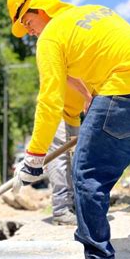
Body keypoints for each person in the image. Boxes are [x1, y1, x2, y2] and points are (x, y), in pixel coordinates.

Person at [7, 0, 130, 259]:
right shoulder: (92, 12)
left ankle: (96, 256)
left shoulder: (50, 37)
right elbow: (95, 62)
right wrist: (92, 97)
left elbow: (49, 100)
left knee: (88, 173)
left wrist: (35, 156)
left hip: (125, 88)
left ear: (39, 10)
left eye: (27, 22)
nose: (30, 31)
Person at [45, 81, 91, 225]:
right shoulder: (72, 59)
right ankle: (61, 210)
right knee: (60, 160)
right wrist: (87, 95)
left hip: (73, 115)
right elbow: (67, 75)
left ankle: (72, 206)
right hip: (56, 112)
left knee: (74, 160)